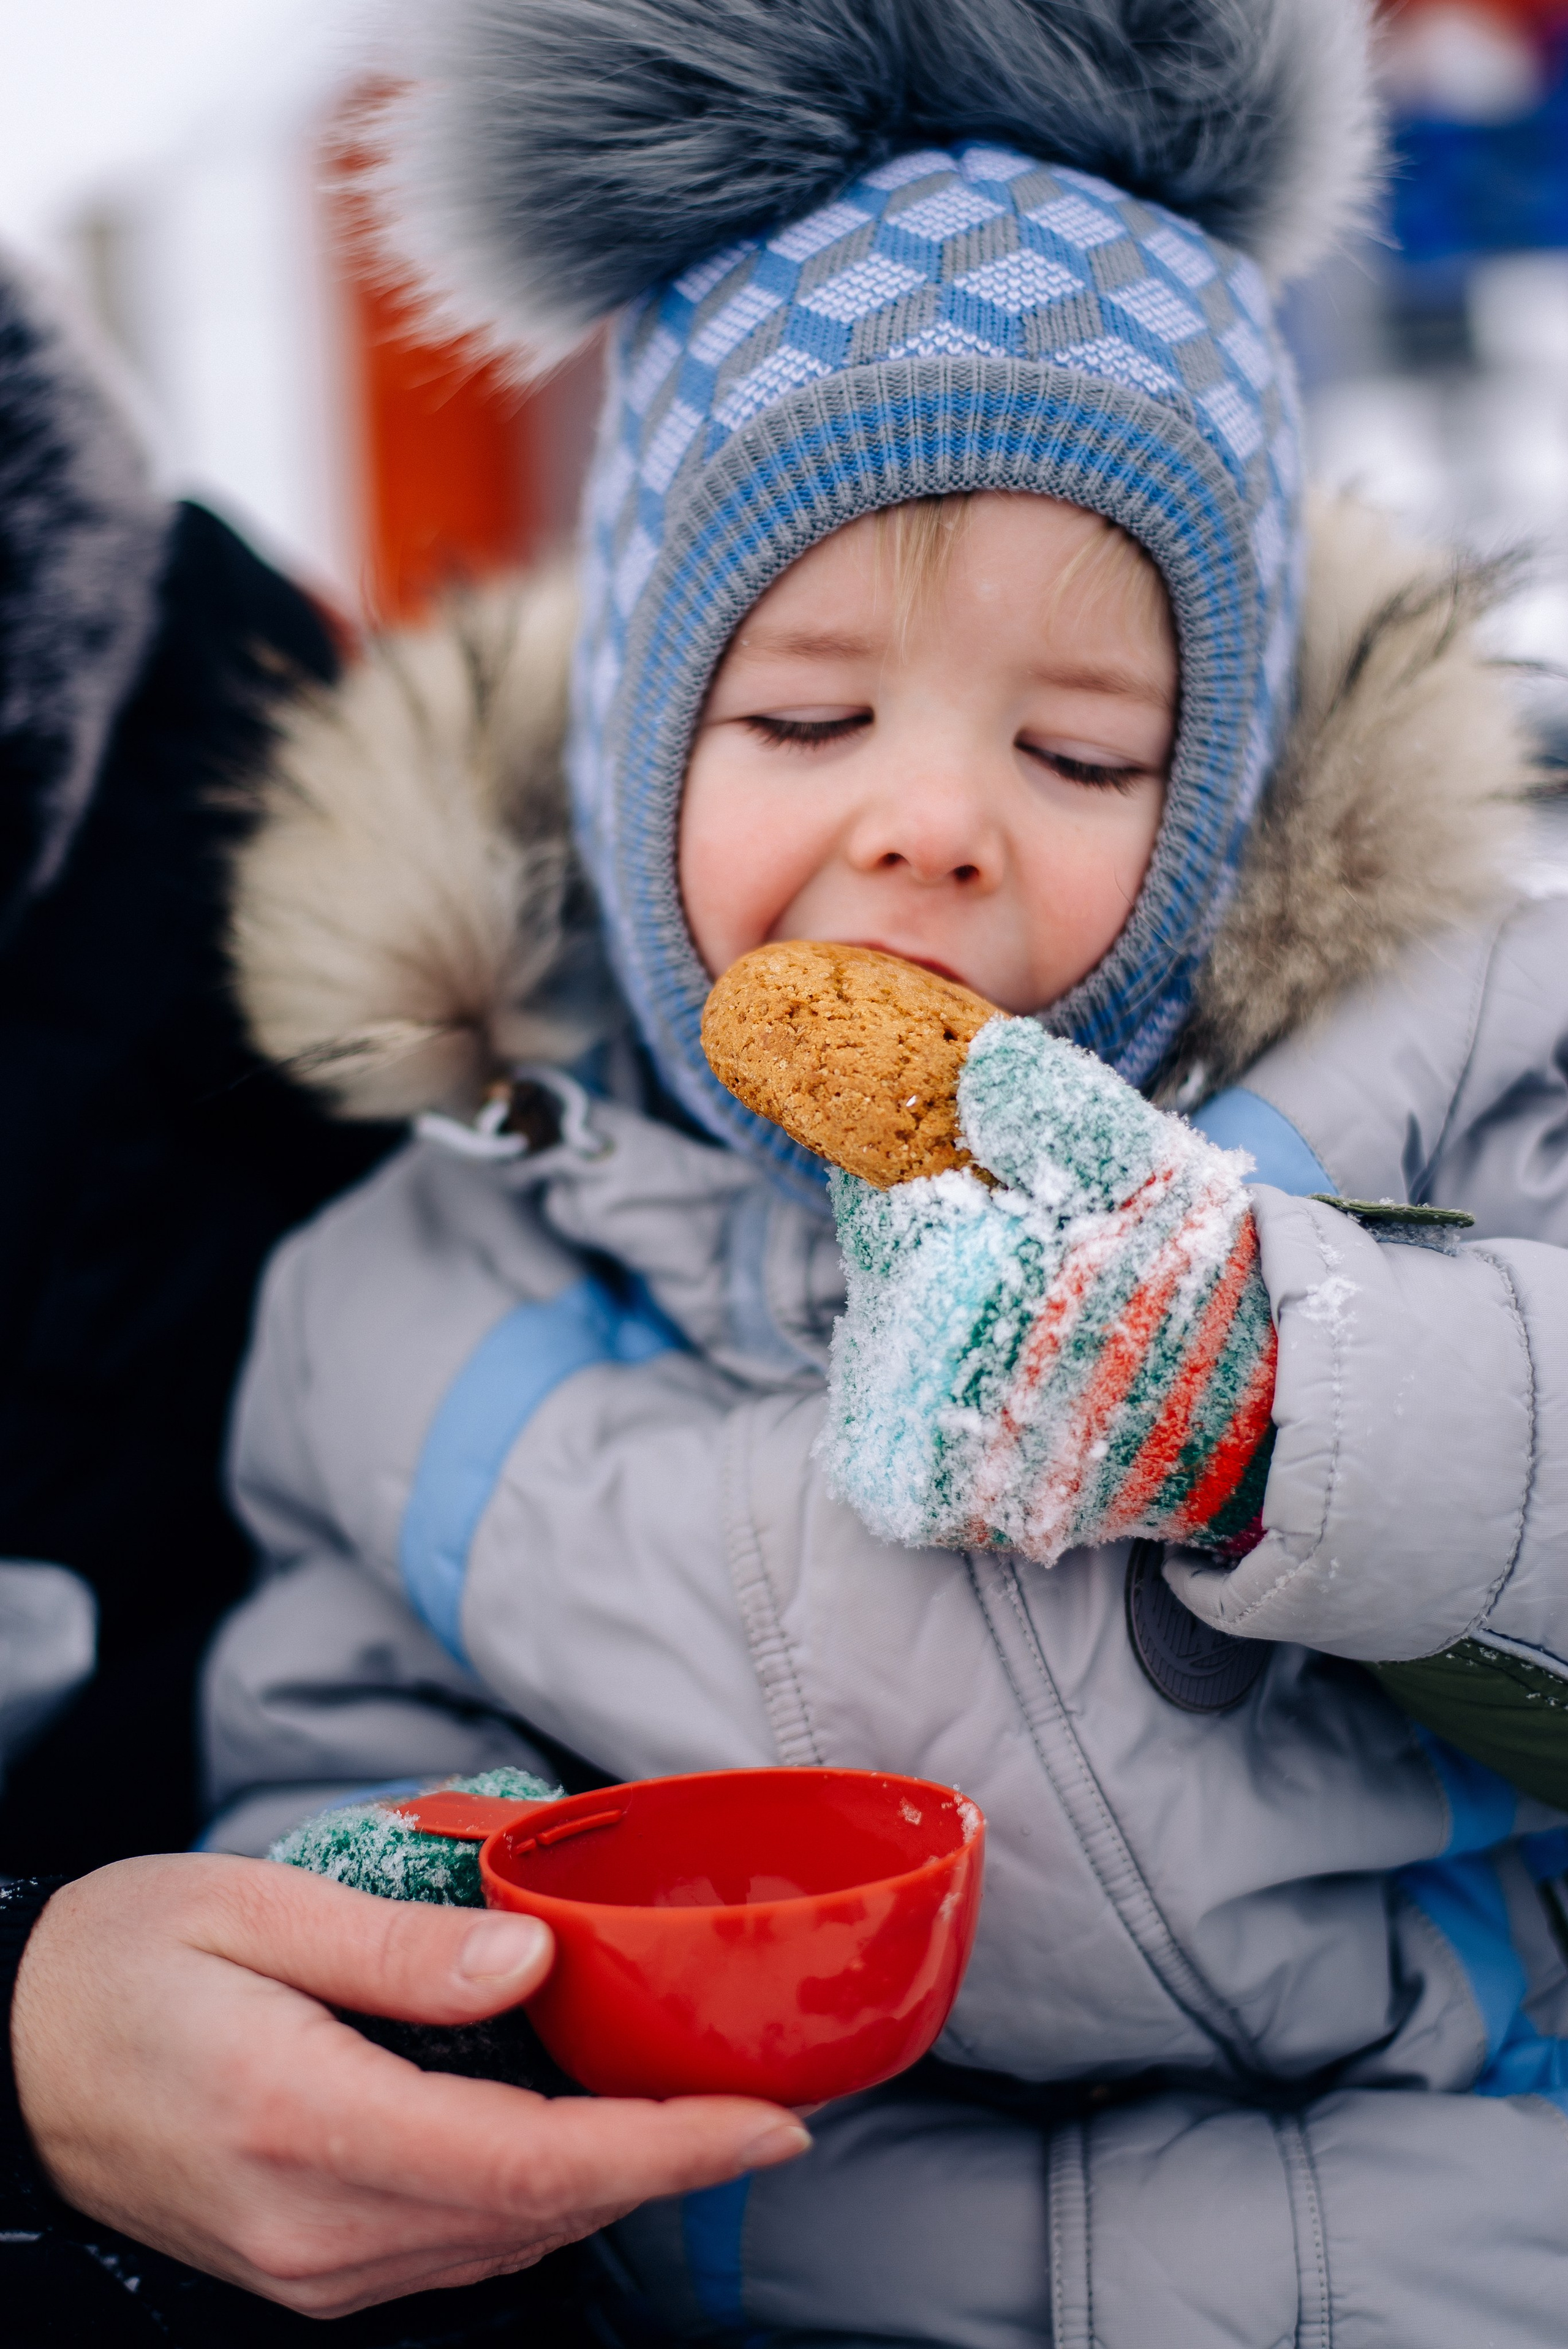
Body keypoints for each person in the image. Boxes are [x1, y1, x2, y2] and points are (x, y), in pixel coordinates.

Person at [202, 0, 1568, 2339]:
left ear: (1218, 784)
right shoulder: (410, 1291)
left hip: (1445, 2219)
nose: (930, 818)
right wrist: (415, 1908)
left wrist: (1267, 1379)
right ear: (641, 749)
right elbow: (337, 1740)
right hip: (804, 2260)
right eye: (812, 718)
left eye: (1075, 744)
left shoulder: (1431, 1062)